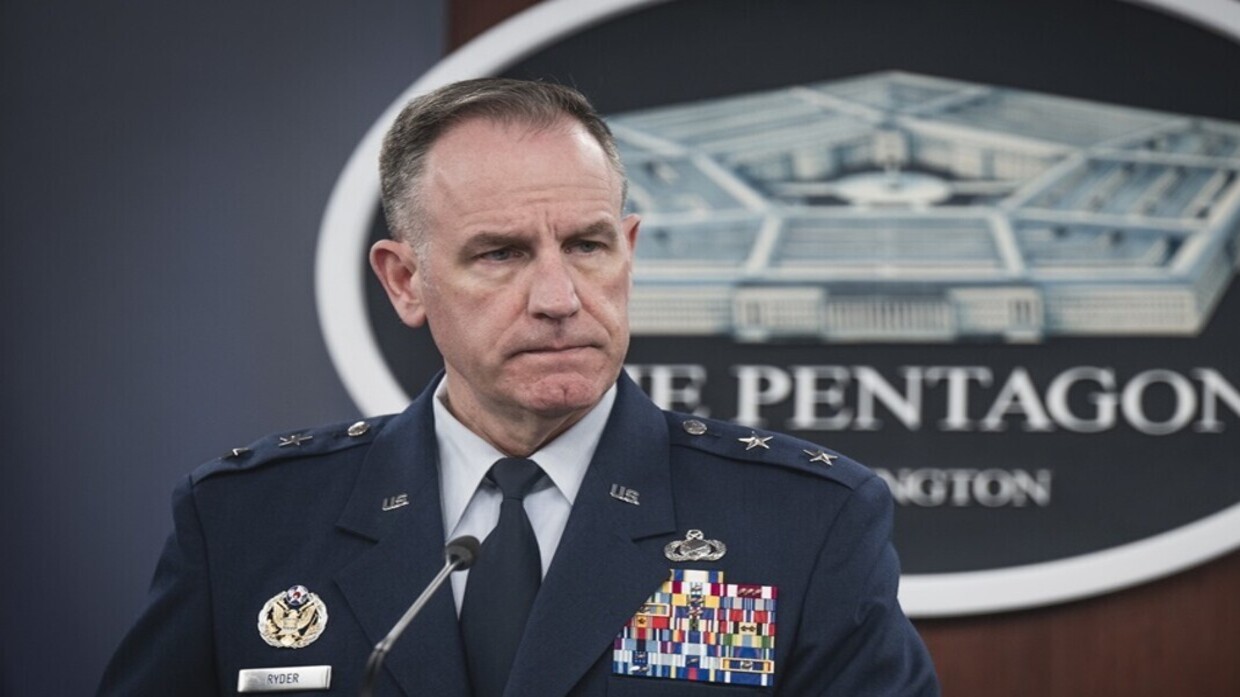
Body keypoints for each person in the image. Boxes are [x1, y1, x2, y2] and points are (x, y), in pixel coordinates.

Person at [98, 78, 939, 696]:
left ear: (630, 252)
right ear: (405, 281)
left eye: (587, 246)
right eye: (500, 253)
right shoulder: (247, 523)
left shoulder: (802, 523)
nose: (558, 298)